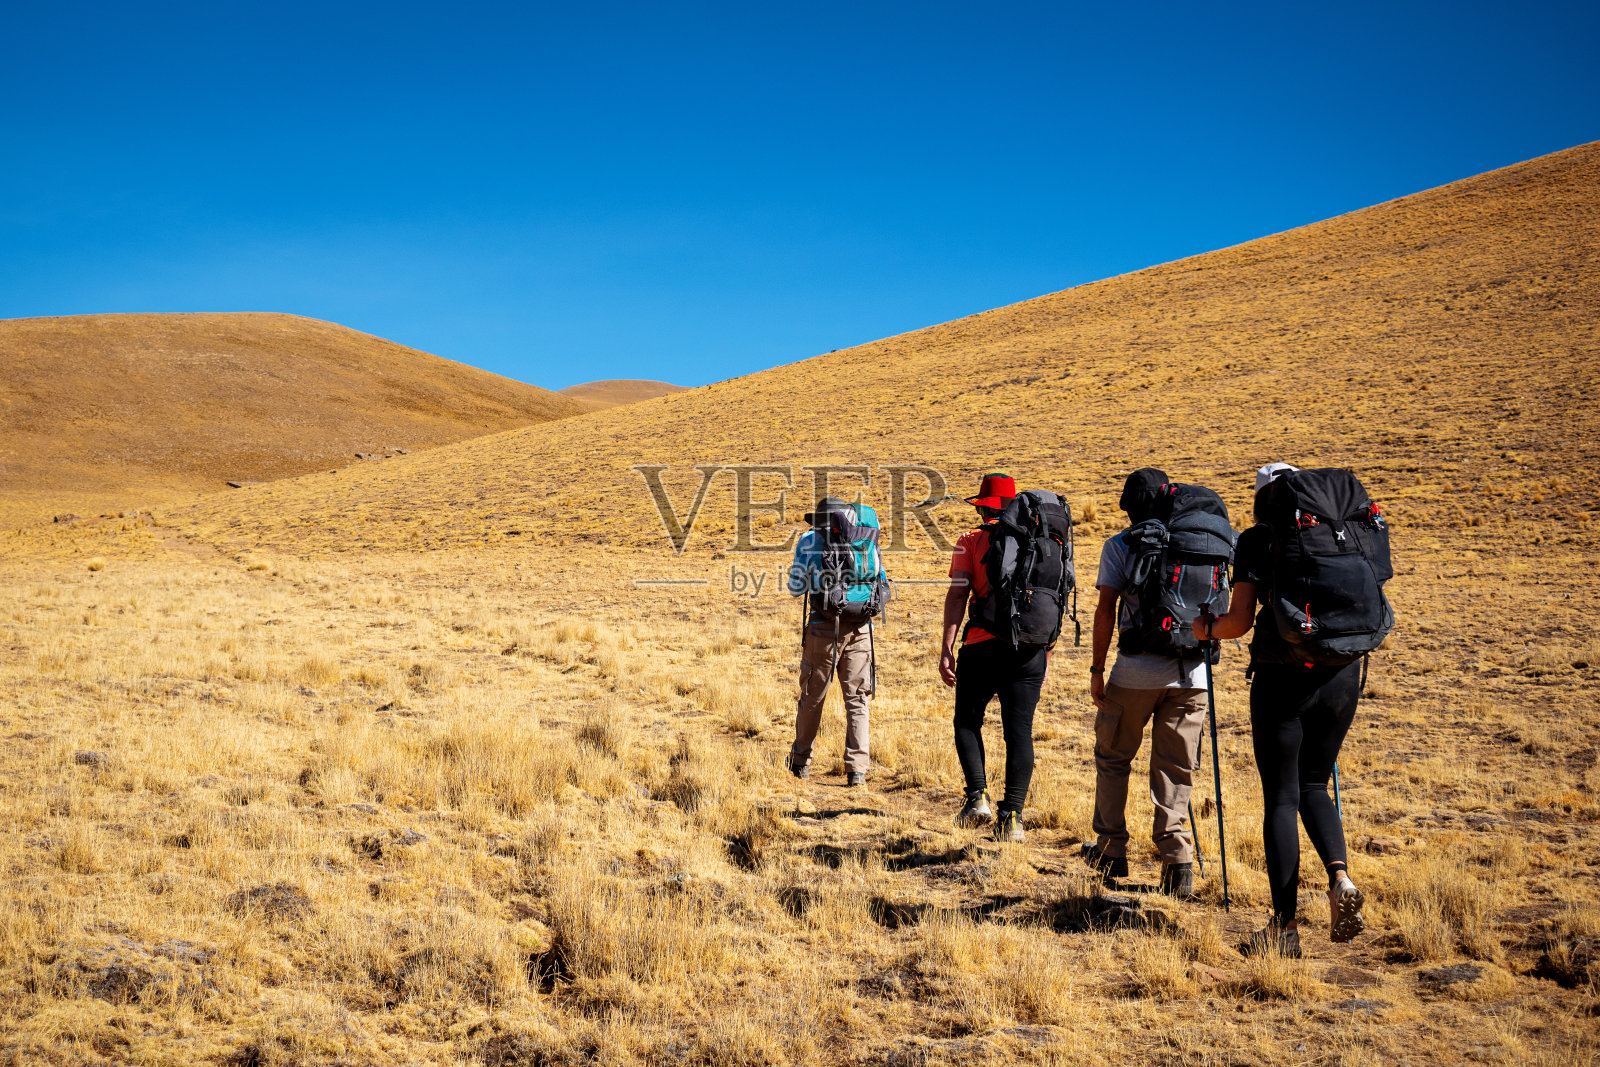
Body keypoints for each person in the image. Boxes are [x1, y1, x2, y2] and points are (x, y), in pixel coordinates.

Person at [1195, 462, 1368, 957]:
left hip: (1281, 677)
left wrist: (1202, 629)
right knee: (1315, 784)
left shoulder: (1256, 540)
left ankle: (1285, 927)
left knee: (1282, 798)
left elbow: (1239, 622)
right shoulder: (1340, 531)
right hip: (1341, 674)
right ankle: (1340, 879)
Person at [1082, 467, 1210, 898]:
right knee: (1175, 768)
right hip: (1192, 675)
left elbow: (1105, 611)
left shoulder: (1120, 545)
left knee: (1114, 758)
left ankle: (1111, 849)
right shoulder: (1200, 544)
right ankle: (1178, 863)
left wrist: (1098, 670)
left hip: (1133, 673)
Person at [938, 473, 1048, 843]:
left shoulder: (969, 540)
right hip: (1030, 650)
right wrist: (1045, 653)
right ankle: (1013, 816)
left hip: (982, 645)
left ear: (983, 505)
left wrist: (947, 648)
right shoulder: (1039, 542)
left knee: (967, 722)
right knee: (1019, 733)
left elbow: (957, 596)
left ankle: (977, 799)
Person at [786, 497, 887, 787]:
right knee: (857, 700)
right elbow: (880, 579)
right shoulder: (866, 539)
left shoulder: (808, 540)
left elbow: (795, 588)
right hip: (861, 626)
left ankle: (801, 762)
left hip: (822, 628)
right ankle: (857, 771)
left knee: (812, 698)